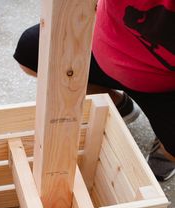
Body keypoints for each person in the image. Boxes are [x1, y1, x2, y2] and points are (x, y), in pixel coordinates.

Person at [14, 0, 175, 181]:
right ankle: (118, 104)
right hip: (105, 48)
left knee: (172, 145)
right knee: (31, 51)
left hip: (163, 85)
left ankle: (166, 147)